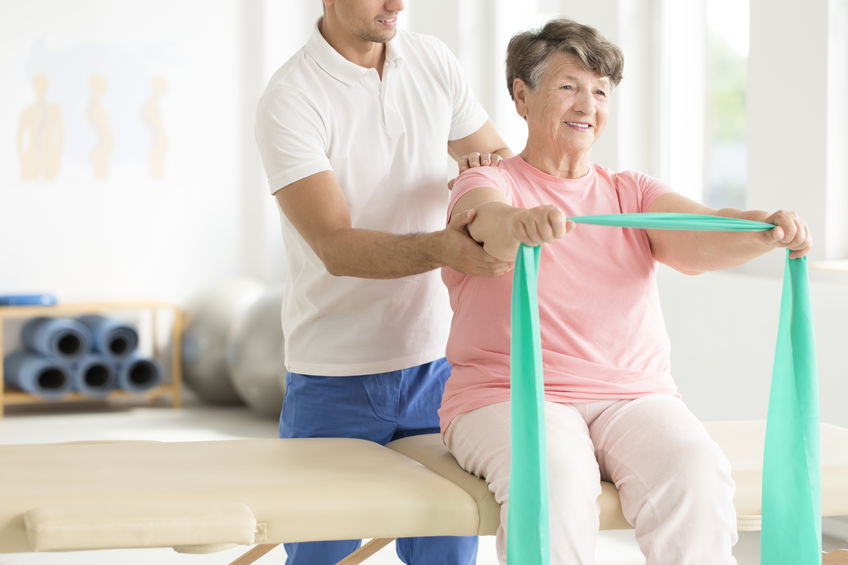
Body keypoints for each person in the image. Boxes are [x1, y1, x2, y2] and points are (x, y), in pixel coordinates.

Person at [439, 18, 812, 565]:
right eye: (568, 86)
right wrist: (519, 226)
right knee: (556, 482)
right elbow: (483, 225)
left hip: (634, 395)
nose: (586, 105)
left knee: (697, 474)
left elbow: (703, 233)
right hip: (509, 393)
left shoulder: (629, 192)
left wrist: (765, 229)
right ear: (521, 96)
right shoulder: (490, 182)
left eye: (600, 91)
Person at [254, 1, 513, 563]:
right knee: (321, 554)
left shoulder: (433, 60)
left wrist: (483, 185)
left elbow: (497, 159)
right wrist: (447, 248)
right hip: (334, 376)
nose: (396, 3)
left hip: (440, 365)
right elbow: (336, 247)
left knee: (447, 553)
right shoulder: (291, 97)